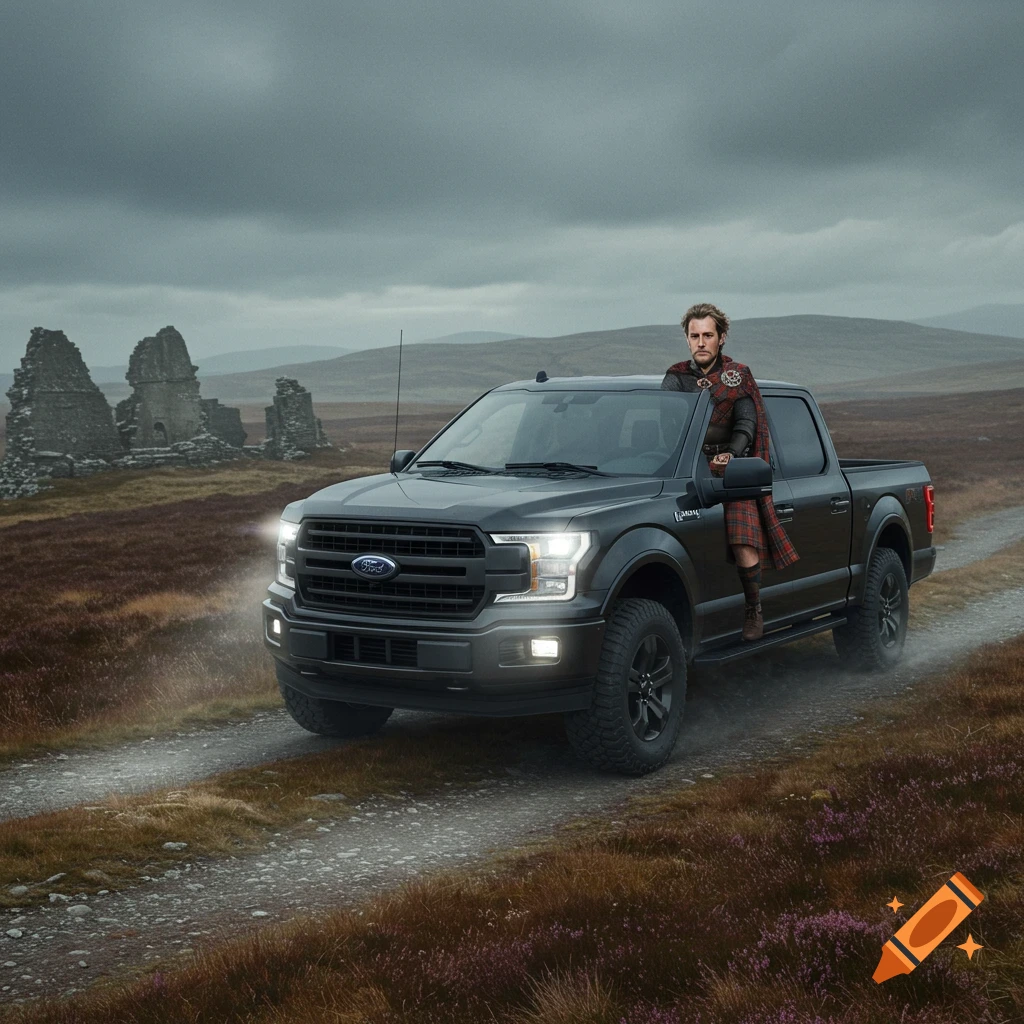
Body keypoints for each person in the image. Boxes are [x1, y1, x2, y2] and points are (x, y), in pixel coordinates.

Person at [661, 302, 799, 641]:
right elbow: (666, 424)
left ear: (722, 338)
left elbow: (747, 424)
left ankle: (753, 609)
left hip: (731, 469)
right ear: (687, 339)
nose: (701, 342)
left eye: (708, 335)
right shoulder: (676, 377)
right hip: (685, 465)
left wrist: (733, 455)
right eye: (694, 336)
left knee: (742, 539)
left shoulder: (738, 376)